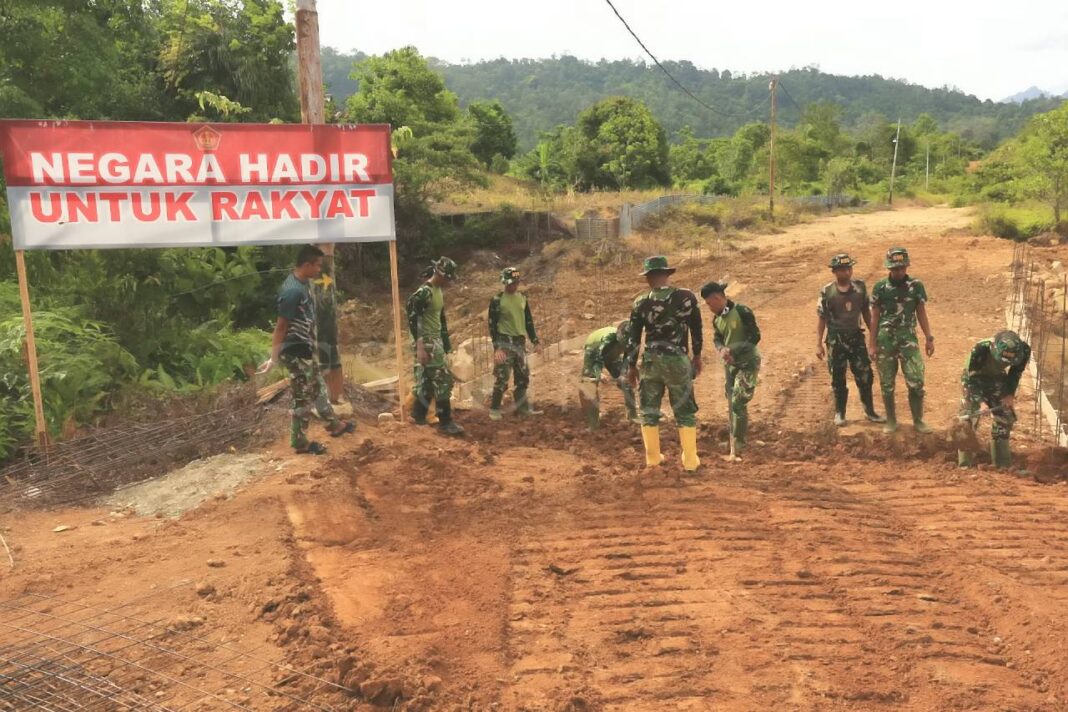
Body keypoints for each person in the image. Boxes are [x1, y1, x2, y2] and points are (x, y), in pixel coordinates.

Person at [270, 245, 355, 455]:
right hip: (295, 352)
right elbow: (281, 326)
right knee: (302, 398)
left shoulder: (303, 283)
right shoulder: (292, 292)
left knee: (318, 386)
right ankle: (300, 443)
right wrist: (274, 357)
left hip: (305, 350)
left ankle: (334, 425)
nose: (319, 269)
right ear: (306, 265)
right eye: (317, 265)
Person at [624, 256, 703, 471]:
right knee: (685, 411)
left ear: (648, 277)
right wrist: (697, 355)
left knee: (649, 411)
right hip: (677, 360)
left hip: (651, 361)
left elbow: (633, 338)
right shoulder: (687, 297)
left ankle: (653, 460)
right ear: (667, 274)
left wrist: (631, 365)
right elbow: (696, 328)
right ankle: (690, 462)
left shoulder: (640, 302)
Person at [868, 247, 935, 434]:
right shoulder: (880, 288)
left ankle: (918, 420)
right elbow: (874, 317)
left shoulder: (916, 286)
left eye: (902, 268)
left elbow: (921, 312)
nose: (899, 272)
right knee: (887, 382)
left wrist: (929, 338)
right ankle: (891, 420)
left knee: (916, 380)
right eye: (895, 268)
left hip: (908, 339)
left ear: (906, 267)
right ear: (889, 268)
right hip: (885, 339)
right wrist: (872, 344)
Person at [816, 253, 885, 426]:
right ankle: (840, 413)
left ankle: (870, 411)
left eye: (848, 268)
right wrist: (818, 344)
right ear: (834, 271)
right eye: (841, 269)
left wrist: (874, 337)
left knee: (865, 375)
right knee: (838, 377)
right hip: (836, 339)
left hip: (856, 337)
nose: (846, 272)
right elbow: (822, 319)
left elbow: (867, 313)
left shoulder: (860, 289)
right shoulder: (827, 292)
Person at [406, 256, 464, 435]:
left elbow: (441, 319)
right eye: (448, 278)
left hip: (435, 340)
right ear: (441, 275)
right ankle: (445, 422)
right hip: (428, 341)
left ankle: (418, 416)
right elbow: (414, 318)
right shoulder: (424, 293)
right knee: (443, 381)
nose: (449, 282)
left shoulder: (437, 291)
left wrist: (446, 345)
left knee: (427, 382)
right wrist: (420, 345)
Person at [702, 282, 761, 456]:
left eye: (709, 303)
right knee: (731, 400)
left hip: (747, 363)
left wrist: (734, 351)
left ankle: (738, 443)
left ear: (717, 298)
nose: (709, 307)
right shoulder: (717, 319)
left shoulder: (742, 311)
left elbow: (755, 336)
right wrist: (722, 349)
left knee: (738, 401)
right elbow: (717, 339)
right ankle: (734, 436)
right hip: (730, 365)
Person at [958, 330, 1031, 469]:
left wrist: (1009, 394)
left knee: (1005, 417)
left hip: (997, 378)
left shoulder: (1024, 351)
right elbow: (969, 381)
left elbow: (1015, 373)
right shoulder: (979, 349)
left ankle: (1002, 464)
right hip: (975, 379)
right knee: (968, 419)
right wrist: (981, 403)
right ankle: (965, 465)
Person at [488, 267, 541, 420]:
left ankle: (523, 409)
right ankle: (494, 409)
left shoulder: (522, 298)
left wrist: (535, 341)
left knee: (522, 376)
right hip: (504, 341)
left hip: (519, 342)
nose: (514, 286)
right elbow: (492, 326)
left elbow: (528, 321)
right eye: (511, 283)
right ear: (505, 283)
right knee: (502, 376)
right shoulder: (497, 300)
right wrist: (497, 348)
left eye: (516, 283)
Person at [579, 321, 639, 431]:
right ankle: (593, 423)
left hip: (612, 355)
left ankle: (632, 415)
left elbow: (627, 359)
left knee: (626, 381)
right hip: (593, 352)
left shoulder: (631, 341)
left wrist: (623, 374)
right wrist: (599, 374)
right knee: (589, 384)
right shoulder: (607, 340)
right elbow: (598, 359)